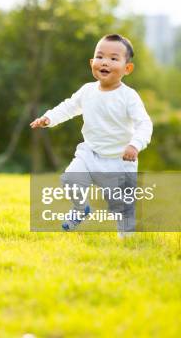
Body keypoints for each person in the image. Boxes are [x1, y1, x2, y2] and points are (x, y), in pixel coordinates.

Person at [30, 34, 153, 236]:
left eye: (114, 58)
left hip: (120, 160)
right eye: (100, 56)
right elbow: (68, 107)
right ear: (92, 63)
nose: (105, 62)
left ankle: (129, 243)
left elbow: (144, 124)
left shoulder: (128, 96)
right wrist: (48, 118)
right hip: (90, 153)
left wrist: (135, 145)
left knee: (122, 209)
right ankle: (80, 209)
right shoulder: (87, 91)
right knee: (70, 180)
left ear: (127, 68)